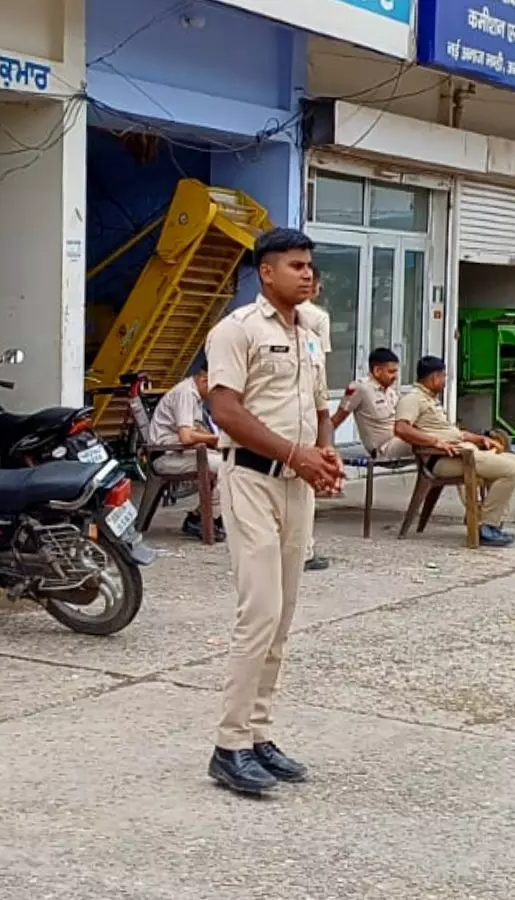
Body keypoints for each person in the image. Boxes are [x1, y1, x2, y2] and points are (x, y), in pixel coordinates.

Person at [204, 227, 344, 795]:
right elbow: (225, 412)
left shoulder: (313, 327)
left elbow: (318, 404)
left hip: (298, 485)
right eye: (295, 266)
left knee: (283, 617)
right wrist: (295, 453)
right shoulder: (235, 331)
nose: (307, 274)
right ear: (266, 272)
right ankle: (228, 744)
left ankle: (259, 734)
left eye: (310, 265)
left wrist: (326, 450)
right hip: (252, 482)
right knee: (258, 613)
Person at [392, 356, 515, 547]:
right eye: (444, 377)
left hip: (460, 452)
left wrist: (479, 439)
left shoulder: (431, 400)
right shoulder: (412, 399)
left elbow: (452, 433)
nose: (445, 381)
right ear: (435, 377)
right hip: (442, 460)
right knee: (511, 470)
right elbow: (401, 429)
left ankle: (487, 520)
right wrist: (435, 442)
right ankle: (487, 526)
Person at [147, 364, 225, 540]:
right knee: (226, 467)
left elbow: (196, 429)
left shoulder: (194, 395)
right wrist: (215, 440)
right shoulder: (186, 393)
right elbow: (186, 437)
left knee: (232, 461)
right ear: (204, 380)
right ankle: (201, 518)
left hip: (180, 453)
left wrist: (216, 439)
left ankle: (205, 515)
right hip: (167, 457)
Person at [297, 263, 333, 572]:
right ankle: (304, 550)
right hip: (307, 406)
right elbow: (321, 365)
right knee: (304, 485)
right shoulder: (319, 318)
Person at [332, 348, 412, 460]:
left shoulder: (391, 391)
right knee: (424, 439)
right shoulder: (361, 388)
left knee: (433, 435)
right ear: (377, 371)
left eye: (396, 371)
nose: (395, 376)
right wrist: (323, 446)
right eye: (391, 372)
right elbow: (337, 419)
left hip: (400, 440)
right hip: (384, 449)